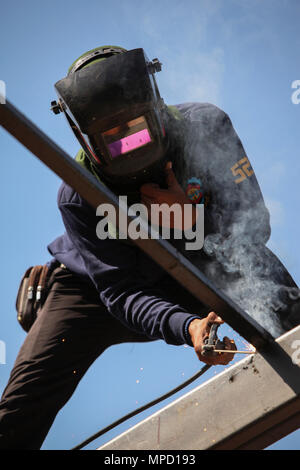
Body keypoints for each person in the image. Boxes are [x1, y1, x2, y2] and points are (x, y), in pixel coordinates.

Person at [0, 46, 298, 450]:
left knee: (278, 297)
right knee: (18, 410)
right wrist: (188, 327)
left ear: (156, 107)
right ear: (87, 140)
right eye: (112, 138)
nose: (127, 142)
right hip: (97, 290)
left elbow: (253, 226)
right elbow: (120, 293)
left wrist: (193, 221)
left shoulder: (205, 126)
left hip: (200, 261)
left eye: (135, 128)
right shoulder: (77, 194)